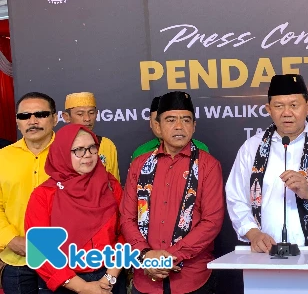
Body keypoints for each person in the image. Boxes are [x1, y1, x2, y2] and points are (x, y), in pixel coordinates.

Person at [226, 74, 308, 293]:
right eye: (278, 105)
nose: (286, 112)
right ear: (268, 109)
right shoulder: (251, 148)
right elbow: (236, 198)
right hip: (265, 260)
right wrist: (253, 234)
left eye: (294, 105)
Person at [120, 91, 224, 294]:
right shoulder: (140, 165)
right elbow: (126, 217)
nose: (179, 126)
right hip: (146, 277)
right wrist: (146, 254)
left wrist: (170, 256)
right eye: (171, 120)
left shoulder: (208, 165)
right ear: (158, 126)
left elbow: (212, 222)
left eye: (186, 120)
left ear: (194, 126)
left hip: (192, 278)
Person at [24, 124, 124, 294]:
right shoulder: (44, 195)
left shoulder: (110, 185)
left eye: (92, 148)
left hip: (109, 277)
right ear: (62, 153)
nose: (88, 155)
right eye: (78, 150)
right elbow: (41, 249)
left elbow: (125, 231)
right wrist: (81, 287)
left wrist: (109, 277)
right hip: (64, 282)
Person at [0, 92, 58, 294]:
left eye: (40, 114)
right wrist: (11, 239)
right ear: (17, 122)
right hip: (16, 262)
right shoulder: (2, 158)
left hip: (62, 259)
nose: (32, 121)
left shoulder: (73, 155)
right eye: (24, 116)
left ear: (55, 118)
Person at [62, 92, 120, 181]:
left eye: (91, 113)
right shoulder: (58, 146)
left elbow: (114, 184)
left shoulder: (106, 144)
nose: (87, 118)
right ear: (66, 117)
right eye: (80, 114)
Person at [131, 96, 209, 161]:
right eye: (156, 120)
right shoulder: (141, 152)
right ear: (151, 123)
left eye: (171, 120)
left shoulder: (199, 148)